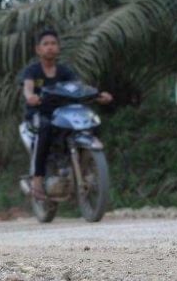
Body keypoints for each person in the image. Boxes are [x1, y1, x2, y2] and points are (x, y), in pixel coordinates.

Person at [20, 29, 112, 200]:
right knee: (45, 128)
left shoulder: (65, 71)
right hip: (40, 113)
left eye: (53, 43)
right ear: (38, 49)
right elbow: (28, 87)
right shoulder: (32, 71)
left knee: (91, 121)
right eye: (46, 44)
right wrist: (30, 96)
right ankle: (37, 179)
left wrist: (99, 95)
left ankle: (87, 166)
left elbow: (79, 87)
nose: (50, 47)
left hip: (63, 113)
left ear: (58, 48)